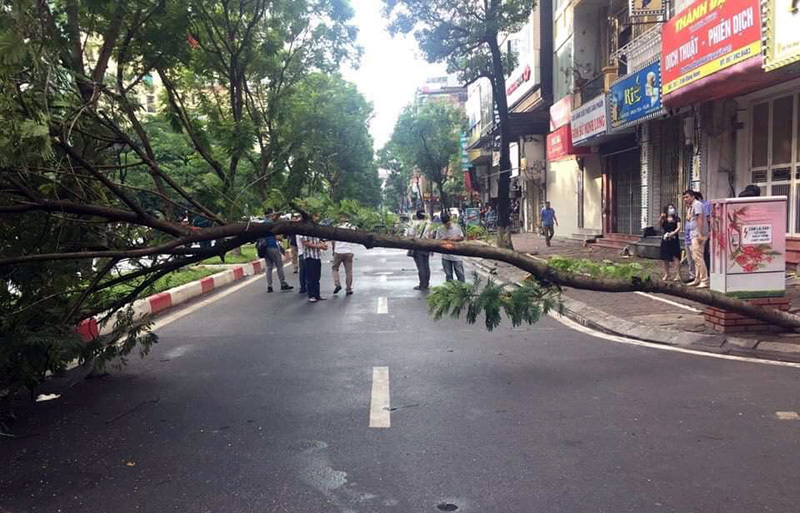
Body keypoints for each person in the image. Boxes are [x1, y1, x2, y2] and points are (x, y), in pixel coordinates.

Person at [258, 211, 293, 293]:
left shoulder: (262, 224)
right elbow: (277, 236)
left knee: (269, 267)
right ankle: (283, 283)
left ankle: (269, 286)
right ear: (271, 215)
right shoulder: (271, 224)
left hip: (265, 248)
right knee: (279, 265)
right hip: (272, 246)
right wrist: (281, 238)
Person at [300, 214, 328, 303]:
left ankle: (317, 294)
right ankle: (311, 295)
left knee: (317, 276)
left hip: (317, 256)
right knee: (310, 277)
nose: (317, 218)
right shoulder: (304, 229)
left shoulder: (315, 229)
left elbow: (318, 240)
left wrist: (322, 245)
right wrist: (318, 246)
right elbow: (305, 243)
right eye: (315, 216)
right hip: (309, 256)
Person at [683, 190, 709, 288]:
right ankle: (697, 278)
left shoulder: (697, 204)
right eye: (684, 197)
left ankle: (704, 280)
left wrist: (700, 233)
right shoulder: (690, 207)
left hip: (697, 234)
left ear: (692, 196)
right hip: (692, 233)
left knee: (698, 257)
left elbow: (700, 218)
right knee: (695, 257)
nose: (685, 199)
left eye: (687, 197)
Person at [435, 212, 465, 282]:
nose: (447, 226)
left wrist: (455, 238)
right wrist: (442, 240)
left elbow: (462, 237)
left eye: (448, 224)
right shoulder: (440, 229)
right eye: (445, 224)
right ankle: (450, 289)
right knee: (448, 275)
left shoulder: (457, 227)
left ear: (450, 221)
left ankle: (462, 289)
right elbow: (436, 241)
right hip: (446, 255)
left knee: (460, 273)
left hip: (457, 255)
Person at [332, 213, 356, 295]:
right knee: (348, 271)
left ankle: (337, 283)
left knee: (335, 268)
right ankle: (348, 289)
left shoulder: (336, 227)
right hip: (348, 251)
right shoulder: (351, 227)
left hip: (338, 251)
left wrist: (333, 250)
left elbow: (333, 240)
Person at [407, 210, 432, 290]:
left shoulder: (415, 224)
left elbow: (410, 235)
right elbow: (431, 236)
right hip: (427, 245)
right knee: (426, 266)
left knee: (420, 267)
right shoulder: (429, 224)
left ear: (417, 216)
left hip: (418, 246)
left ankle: (422, 285)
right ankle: (426, 283)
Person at [659, 204, 682, 281]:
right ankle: (667, 274)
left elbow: (679, 227)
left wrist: (673, 233)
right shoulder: (664, 218)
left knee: (676, 257)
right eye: (669, 208)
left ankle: (678, 275)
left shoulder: (676, 218)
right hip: (666, 238)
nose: (671, 209)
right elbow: (659, 224)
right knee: (664, 257)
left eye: (672, 207)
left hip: (674, 238)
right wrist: (661, 218)